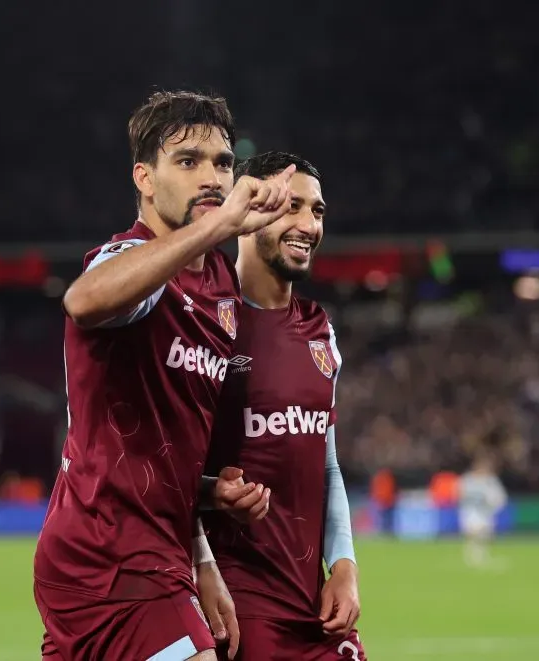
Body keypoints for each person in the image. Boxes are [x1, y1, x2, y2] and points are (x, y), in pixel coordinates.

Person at [33, 90, 294, 661]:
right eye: (187, 161)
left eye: (223, 163)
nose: (211, 177)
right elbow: (84, 300)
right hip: (108, 553)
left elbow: (163, 459)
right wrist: (220, 223)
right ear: (144, 179)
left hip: (152, 551)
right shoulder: (129, 259)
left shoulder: (223, 285)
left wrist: (206, 525)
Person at [202, 152, 366, 660]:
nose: (308, 224)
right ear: (247, 212)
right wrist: (211, 497)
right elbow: (163, 463)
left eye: (316, 211)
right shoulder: (204, 322)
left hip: (313, 602)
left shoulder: (322, 331)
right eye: (290, 206)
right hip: (238, 603)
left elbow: (329, 465)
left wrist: (343, 564)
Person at [459, 452, 508, 568]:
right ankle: (472, 557)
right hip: (471, 512)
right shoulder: (467, 480)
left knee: (486, 536)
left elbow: (500, 498)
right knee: (474, 534)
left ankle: (480, 557)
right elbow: (460, 494)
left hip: (486, 513)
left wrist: (494, 505)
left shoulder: (491, 481)